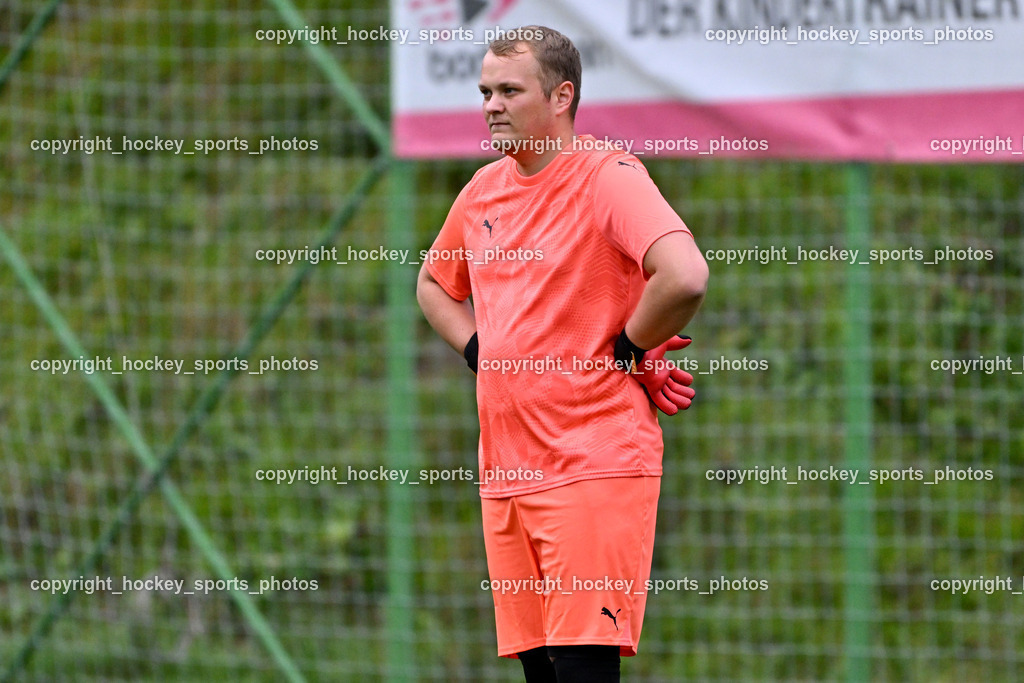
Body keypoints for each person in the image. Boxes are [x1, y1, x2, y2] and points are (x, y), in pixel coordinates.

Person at [416, 25, 708, 682]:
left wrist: (630, 345)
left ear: (561, 97)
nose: (492, 106)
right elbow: (433, 285)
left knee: (582, 671)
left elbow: (685, 275)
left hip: (592, 464)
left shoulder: (608, 177)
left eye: (509, 91)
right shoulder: (483, 190)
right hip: (507, 474)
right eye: (485, 91)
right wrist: (484, 350)